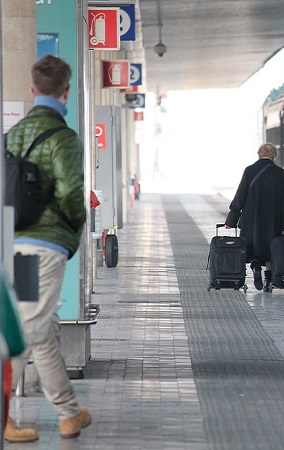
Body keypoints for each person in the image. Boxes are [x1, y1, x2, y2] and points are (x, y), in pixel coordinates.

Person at [4, 55, 91, 443]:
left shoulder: (12, 134)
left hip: (14, 241)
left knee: (42, 329)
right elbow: (73, 194)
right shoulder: (63, 137)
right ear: (67, 91)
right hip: (45, 246)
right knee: (26, 332)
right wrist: (74, 227)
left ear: (32, 90)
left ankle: (69, 412)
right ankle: (4, 416)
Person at [225, 143, 284, 291]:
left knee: (252, 248)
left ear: (259, 155)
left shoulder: (249, 170)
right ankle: (268, 278)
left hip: (251, 220)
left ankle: (256, 269)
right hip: (273, 221)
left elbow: (240, 196)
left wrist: (231, 221)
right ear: (275, 156)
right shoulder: (280, 173)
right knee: (270, 250)